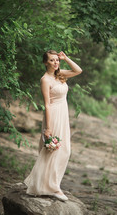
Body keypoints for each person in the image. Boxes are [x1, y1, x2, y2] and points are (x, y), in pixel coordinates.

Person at [24, 50, 82, 201]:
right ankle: (53, 188)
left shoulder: (60, 74)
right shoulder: (45, 80)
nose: (56, 62)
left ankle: (50, 185)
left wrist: (66, 58)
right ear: (45, 63)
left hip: (63, 115)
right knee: (52, 150)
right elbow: (47, 105)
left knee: (65, 150)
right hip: (53, 115)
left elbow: (78, 70)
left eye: (57, 60)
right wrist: (48, 128)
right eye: (52, 60)